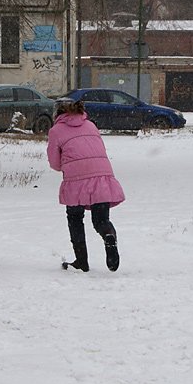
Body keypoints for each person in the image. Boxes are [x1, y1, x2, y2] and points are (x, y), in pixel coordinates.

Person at [47, 99, 125, 272]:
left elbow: (54, 163)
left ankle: (82, 261)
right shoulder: (90, 125)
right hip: (102, 174)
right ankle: (109, 236)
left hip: (76, 178)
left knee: (75, 217)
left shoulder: (56, 131)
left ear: (57, 113)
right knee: (101, 220)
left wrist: (66, 165)